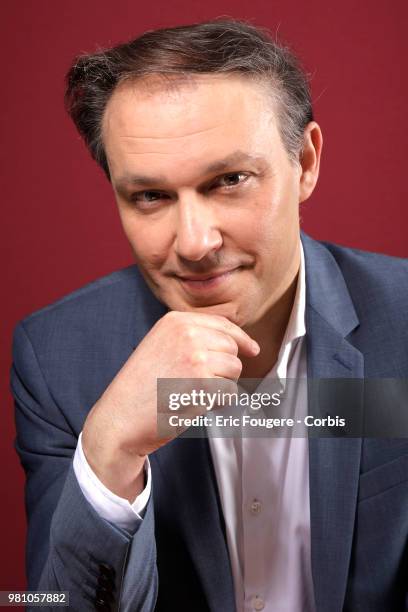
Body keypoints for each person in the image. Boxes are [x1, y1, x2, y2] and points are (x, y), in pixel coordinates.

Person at [10, 18, 408, 612]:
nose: (194, 242)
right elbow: (46, 602)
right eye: (150, 196)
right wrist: (109, 452)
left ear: (305, 162)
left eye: (229, 180)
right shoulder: (57, 357)